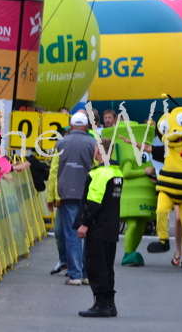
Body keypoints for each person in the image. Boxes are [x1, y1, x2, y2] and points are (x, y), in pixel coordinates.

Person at [76, 137, 123, 318]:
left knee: (95, 265)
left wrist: (85, 224)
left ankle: (101, 304)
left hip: (98, 227)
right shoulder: (116, 172)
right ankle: (110, 304)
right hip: (111, 227)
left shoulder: (100, 173)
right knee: (107, 267)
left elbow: (93, 202)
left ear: (98, 151)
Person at [57, 112, 97, 285]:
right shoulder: (93, 143)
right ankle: (86, 274)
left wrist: (53, 195)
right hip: (88, 192)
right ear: (87, 126)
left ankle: (74, 275)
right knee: (88, 233)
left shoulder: (61, 143)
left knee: (72, 233)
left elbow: (54, 169)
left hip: (68, 192)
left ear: (71, 126)